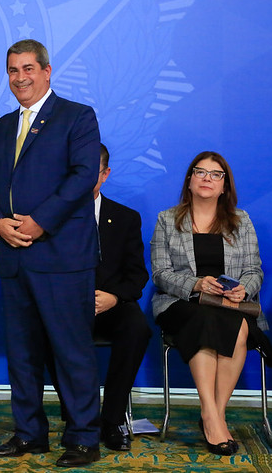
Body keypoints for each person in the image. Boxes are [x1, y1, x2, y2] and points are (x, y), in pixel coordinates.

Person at [0, 39, 101, 467]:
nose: (20, 77)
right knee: (22, 354)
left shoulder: (77, 117)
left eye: (28, 68)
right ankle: (29, 433)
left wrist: (39, 220)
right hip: (13, 256)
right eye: (13, 70)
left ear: (47, 71)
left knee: (71, 352)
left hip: (62, 257)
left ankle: (84, 437)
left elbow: (84, 176)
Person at [151, 151, 272, 456]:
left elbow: (253, 270)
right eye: (200, 172)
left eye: (216, 174)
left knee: (236, 326)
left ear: (225, 186)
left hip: (230, 306)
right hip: (181, 303)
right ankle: (212, 414)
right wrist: (196, 283)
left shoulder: (241, 220)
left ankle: (213, 414)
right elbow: (160, 274)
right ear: (190, 181)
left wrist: (242, 290)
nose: (207, 178)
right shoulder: (168, 219)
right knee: (203, 319)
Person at [85, 143, 151, 451]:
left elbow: (137, 275)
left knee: (137, 328)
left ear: (106, 174)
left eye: (92, 171)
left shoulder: (125, 218)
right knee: (41, 327)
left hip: (112, 304)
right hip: (68, 305)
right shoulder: (51, 217)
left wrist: (113, 297)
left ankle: (111, 419)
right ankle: (78, 416)